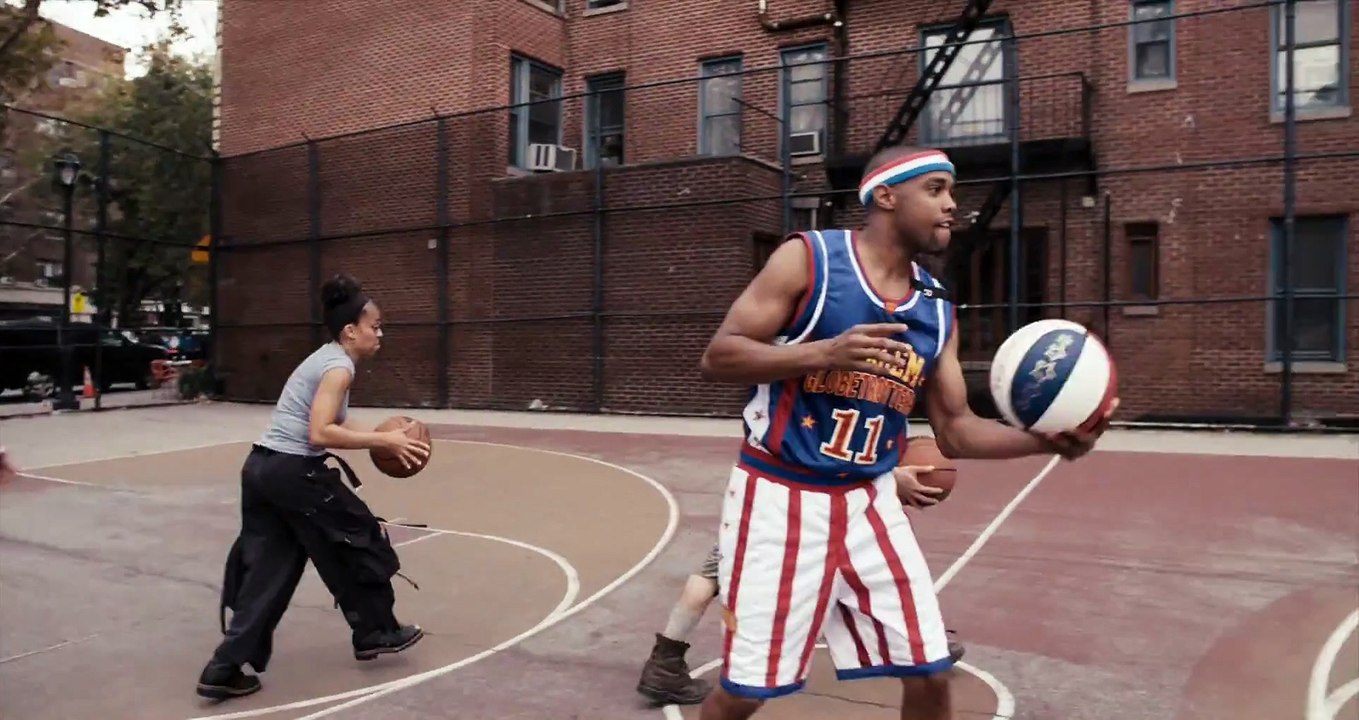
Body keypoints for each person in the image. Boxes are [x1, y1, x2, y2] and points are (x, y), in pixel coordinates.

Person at [694, 145, 1116, 720]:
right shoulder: (811, 261)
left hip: (869, 503)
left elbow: (958, 430)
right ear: (886, 196)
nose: (953, 205)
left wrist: (1050, 443)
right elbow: (719, 356)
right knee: (747, 690)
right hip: (780, 500)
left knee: (930, 668)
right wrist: (823, 351)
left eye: (952, 192)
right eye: (937, 189)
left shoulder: (935, 307)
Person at [196, 273, 433, 701]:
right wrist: (385, 440)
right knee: (358, 538)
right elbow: (320, 432)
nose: (380, 333)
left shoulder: (324, 358)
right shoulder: (339, 367)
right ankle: (376, 631)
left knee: (271, 570)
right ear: (350, 330)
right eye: (374, 325)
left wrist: (383, 435)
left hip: (262, 470)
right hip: (293, 473)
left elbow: (335, 424)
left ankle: (224, 667)